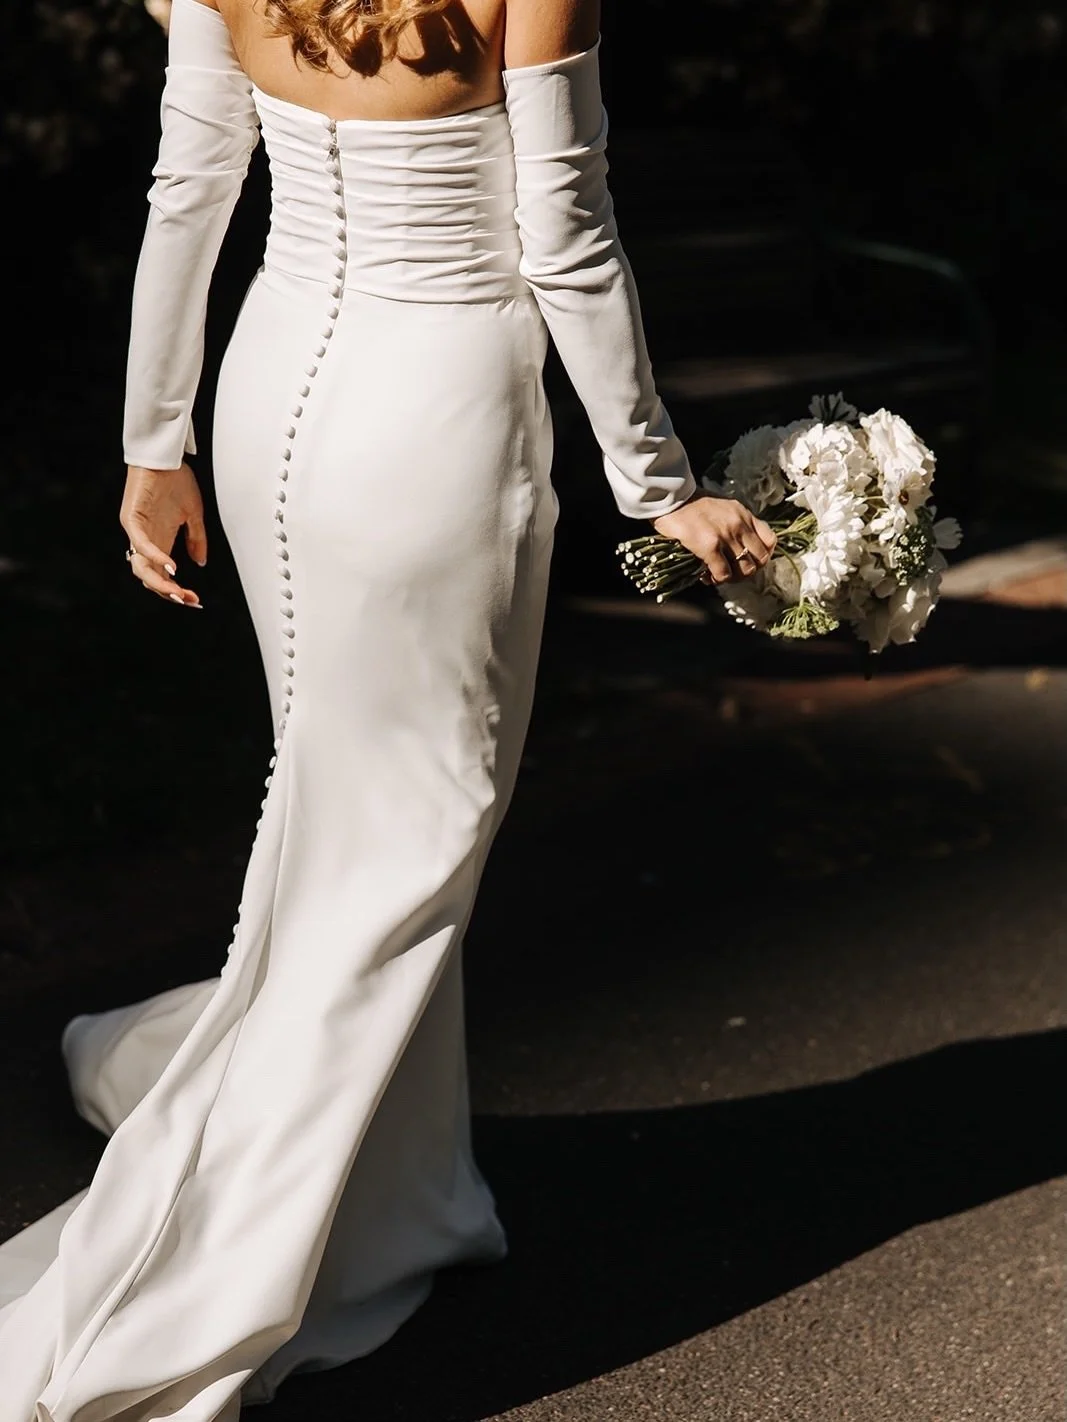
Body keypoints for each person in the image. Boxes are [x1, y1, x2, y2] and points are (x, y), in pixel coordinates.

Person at [0, 0, 776, 1415]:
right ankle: (207, 1263)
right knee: (413, 836)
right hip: (433, 421)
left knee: (345, 810)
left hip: (270, 392)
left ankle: (402, 1191)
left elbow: (191, 183)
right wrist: (664, 483)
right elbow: (565, 233)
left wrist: (152, 439)